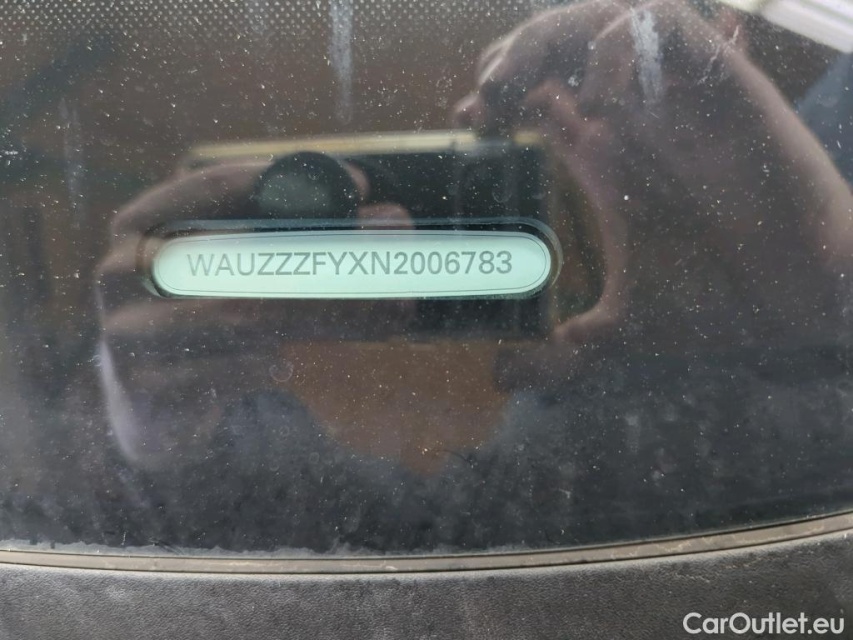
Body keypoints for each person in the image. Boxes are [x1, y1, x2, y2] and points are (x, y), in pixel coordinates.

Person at [94, 0, 853, 551]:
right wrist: (170, 434)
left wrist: (825, 277)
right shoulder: (581, 433)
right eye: (570, 72)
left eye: (642, 50)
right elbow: (392, 556)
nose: (584, 107)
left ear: (732, 29)